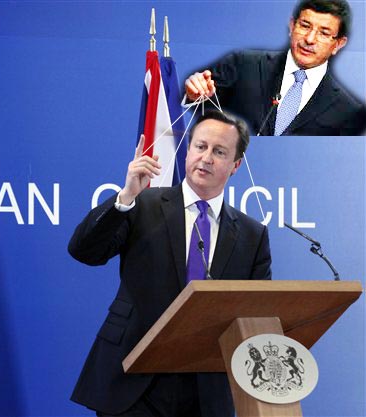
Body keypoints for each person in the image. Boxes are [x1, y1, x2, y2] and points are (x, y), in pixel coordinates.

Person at [68, 109, 271, 417]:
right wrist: (125, 197)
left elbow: (256, 314)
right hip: (133, 378)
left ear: (235, 165)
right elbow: (84, 251)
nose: (206, 158)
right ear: (188, 150)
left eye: (219, 152)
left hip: (205, 390)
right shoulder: (142, 204)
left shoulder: (252, 235)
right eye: (200, 146)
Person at [184, 0, 366, 136]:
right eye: (305, 26)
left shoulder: (347, 111)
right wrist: (194, 94)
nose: (310, 39)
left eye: (324, 33)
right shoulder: (242, 64)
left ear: (338, 44)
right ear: (292, 25)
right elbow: (201, 107)